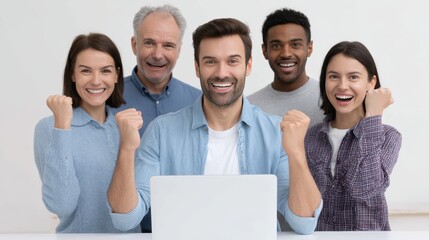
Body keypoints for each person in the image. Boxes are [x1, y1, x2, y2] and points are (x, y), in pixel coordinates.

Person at [107, 18, 322, 235]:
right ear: (197, 68)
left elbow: (304, 222)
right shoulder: (161, 132)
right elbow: (125, 219)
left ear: (248, 66)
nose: (221, 72)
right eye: (210, 62)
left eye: (232, 61)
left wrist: (296, 154)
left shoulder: (275, 132)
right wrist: (126, 149)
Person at [34, 33, 140, 233]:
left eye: (105, 71)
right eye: (85, 71)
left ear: (117, 75)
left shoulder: (127, 126)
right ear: (73, 74)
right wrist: (62, 128)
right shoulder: (49, 128)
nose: (96, 80)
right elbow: (61, 205)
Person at [304, 41, 402, 230]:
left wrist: (373, 116)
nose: (342, 86)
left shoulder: (389, 136)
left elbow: (366, 188)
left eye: (353, 77)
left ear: (371, 82)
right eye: (333, 76)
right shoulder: (310, 138)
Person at [113, 4, 201, 137]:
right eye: (149, 43)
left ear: (179, 50)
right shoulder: (107, 98)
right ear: (134, 45)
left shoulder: (199, 101)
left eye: (168, 45)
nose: (158, 55)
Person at [248, 8, 324, 127]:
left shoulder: (330, 100)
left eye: (295, 45)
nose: (286, 54)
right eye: (276, 45)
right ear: (264, 51)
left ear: (309, 48)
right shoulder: (249, 107)